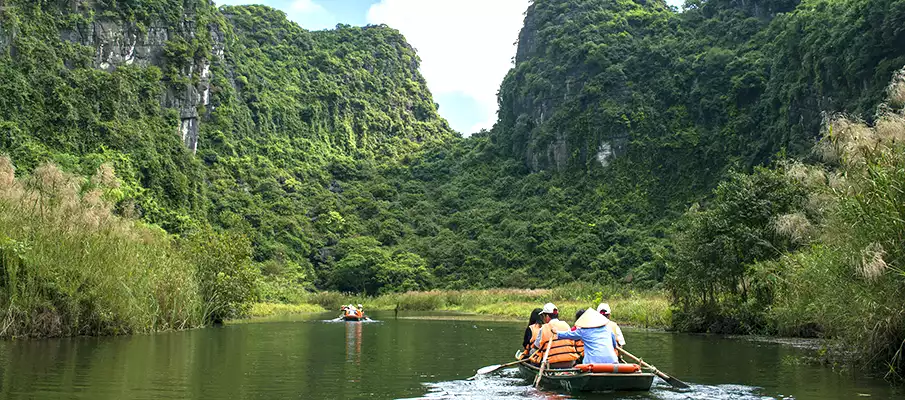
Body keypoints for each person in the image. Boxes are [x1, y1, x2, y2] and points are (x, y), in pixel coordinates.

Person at [554, 308, 620, 364]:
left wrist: (556, 332)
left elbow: (568, 334)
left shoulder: (584, 331)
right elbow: (614, 345)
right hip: (612, 361)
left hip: (592, 363)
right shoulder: (608, 328)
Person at [530, 303, 580, 369]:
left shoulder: (543, 328)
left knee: (532, 351)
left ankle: (536, 370)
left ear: (547, 316)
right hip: (570, 362)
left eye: (543, 316)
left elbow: (536, 346)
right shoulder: (566, 325)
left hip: (551, 364)